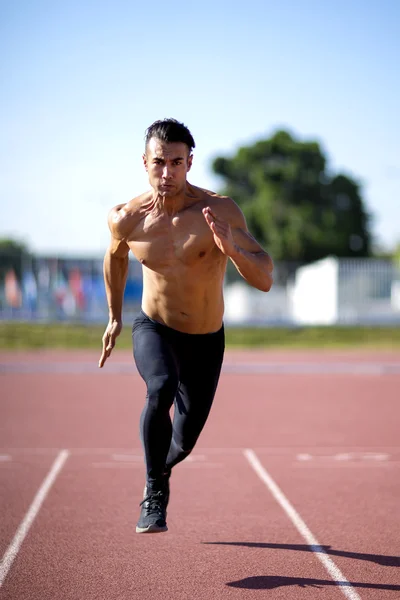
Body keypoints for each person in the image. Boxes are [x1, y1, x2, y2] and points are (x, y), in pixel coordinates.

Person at [98, 118, 273, 533]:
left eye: (176, 162)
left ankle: (163, 465)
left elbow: (264, 278)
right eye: (159, 162)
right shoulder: (126, 218)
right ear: (144, 162)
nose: (167, 172)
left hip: (207, 338)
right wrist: (114, 316)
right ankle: (154, 491)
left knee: (185, 440)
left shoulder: (220, 210)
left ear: (190, 162)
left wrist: (232, 251)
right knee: (159, 390)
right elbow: (116, 257)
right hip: (154, 327)